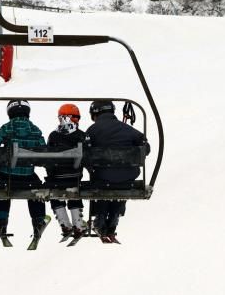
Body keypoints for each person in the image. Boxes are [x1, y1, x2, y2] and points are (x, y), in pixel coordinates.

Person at [86, 99, 149, 239]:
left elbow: (83, 152)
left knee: (102, 182)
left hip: (102, 179)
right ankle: (113, 220)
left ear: (95, 114)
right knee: (120, 183)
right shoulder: (128, 129)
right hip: (127, 178)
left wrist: (92, 169)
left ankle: (100, 219)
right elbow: (146, 147)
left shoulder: (92, 130)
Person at [0, 100, 48, 238]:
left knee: (2, 186)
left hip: (7, 175)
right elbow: (43, 150)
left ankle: (1, 220)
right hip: (27, 176)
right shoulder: (35, 129)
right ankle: (38, 220)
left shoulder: (7, 128)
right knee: (36, 185)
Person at [45, 103, 86, 239]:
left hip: (55, 178)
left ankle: (65, 224)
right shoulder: (81, 135)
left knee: (54, 191)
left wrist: (51, 173)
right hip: (75, 176)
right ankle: (78, 224)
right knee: (74, 188)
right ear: (74, 118)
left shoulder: (53, 136)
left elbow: (47, 158)